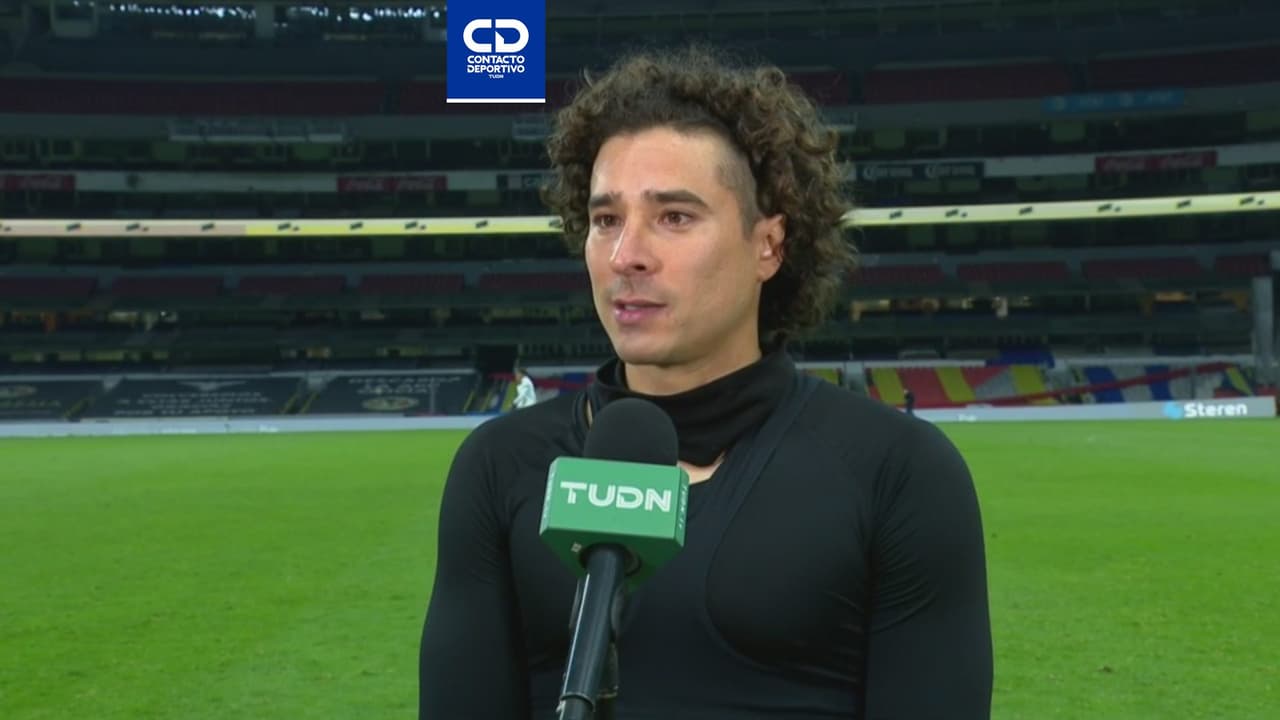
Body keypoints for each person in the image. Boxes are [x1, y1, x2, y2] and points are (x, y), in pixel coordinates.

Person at [419, 45, 992, 719]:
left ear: (768, 245)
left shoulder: (898, 472)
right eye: (606, 220)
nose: (626, 255)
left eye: (675, 217)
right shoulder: (499, 467)